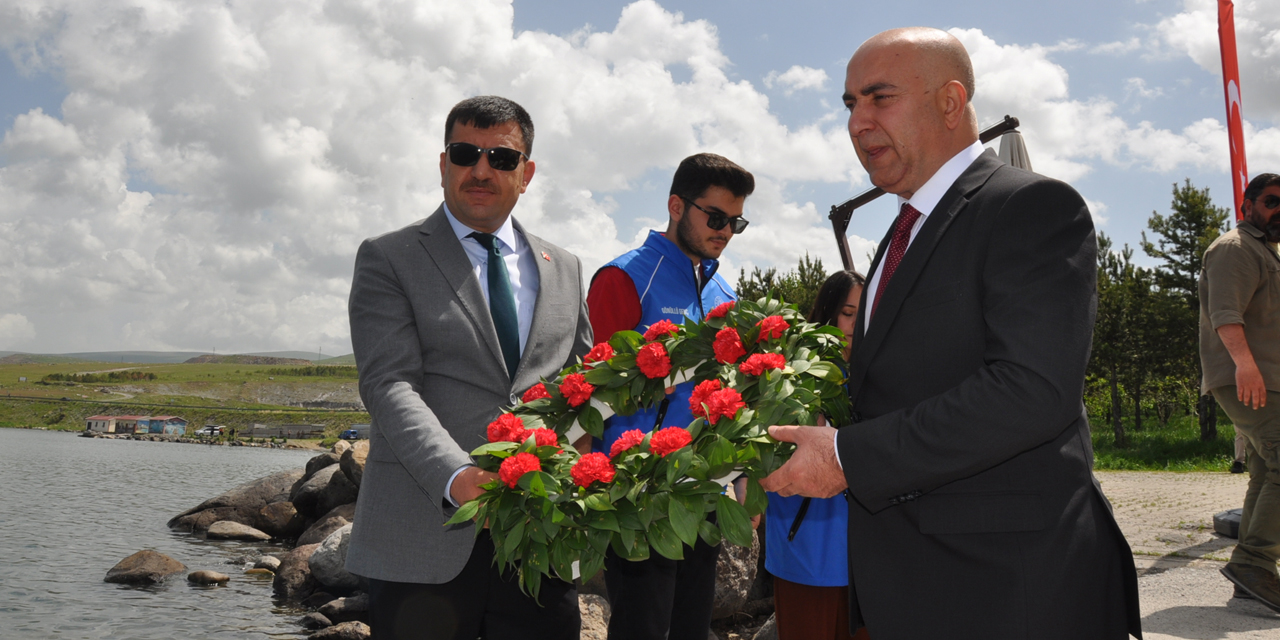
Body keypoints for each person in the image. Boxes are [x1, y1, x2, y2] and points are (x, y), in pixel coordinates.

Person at [760, 28, 1142, 639]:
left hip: (1011, 589)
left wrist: (846, 458)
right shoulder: (896, 232)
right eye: (849, 104)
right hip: (916, 586)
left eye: (879, 97)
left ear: (949, 100)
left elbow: (1032, 391)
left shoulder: (1031, 207)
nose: (858, 122)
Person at [345, 95, 592, 640]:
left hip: (541, 542)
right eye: (465, 153)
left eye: (501, 158)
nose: (481, 169)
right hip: (424, 540)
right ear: (443, 164)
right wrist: (456, 478)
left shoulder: (568, 269)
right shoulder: (388, 257)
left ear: (526, 174)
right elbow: (389, 384)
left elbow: (582, 393)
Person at [585, 152, 755, 640]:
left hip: (702, 490)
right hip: (638, 496)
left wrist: (742, 475)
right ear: (676, 205)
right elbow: (593, 394)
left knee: (690, 629)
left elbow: (730, 394)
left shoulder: (724, 290)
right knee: (642, 628)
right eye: (716, 217)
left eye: (735, 222)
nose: (724, 231)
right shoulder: (624, 277)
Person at [764, 270, 868, 640]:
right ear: (828, 313)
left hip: (870, 562)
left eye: (865, 311)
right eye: (848, 312)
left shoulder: (882, 373)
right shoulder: (793, 373)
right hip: (807, 550)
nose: (857, 323)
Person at [1200, 172, 1280, 611]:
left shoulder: (1265, 251)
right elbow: (1225, 314)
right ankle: (1254, 563)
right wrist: (1246, 366)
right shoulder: (1236, 248)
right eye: (1271, 201)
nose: (1277, 211)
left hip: (1265, 380)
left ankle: (1251, 574)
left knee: (1268, 472)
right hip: (1248, 379)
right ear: (1248, 205)